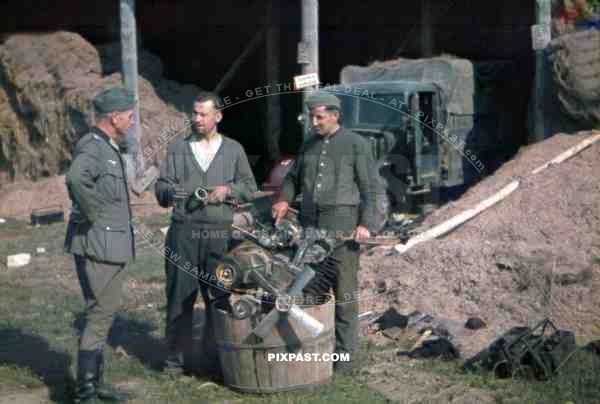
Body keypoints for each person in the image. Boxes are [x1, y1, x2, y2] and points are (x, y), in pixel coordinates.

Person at [271, 92, 379, 373]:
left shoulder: (356, 144)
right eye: (311, 117)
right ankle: (310, 351)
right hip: (310, 230)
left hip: (342, 230)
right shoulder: (308, 144)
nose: (314, 122)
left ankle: (344, 361)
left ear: (335, 115)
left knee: (344, 295)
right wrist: (283, 198)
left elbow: (371, 188)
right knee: (309, 290)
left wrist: (366, 223)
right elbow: (293, 178)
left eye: (319, 117)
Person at [155, 91, 257, 376]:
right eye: (194, 113)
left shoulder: (234, 149)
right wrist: (173, 191)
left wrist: (228, 191)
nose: (196, 119)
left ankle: (214, 361)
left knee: (219, 298)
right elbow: (160, 190)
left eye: (203, 114)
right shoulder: (178, 149)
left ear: (218, 116)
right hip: (183, 233)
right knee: (180, 297)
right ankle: (176, 361)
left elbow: (250, 187)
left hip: (218, 235)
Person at [64, 87, 136, 403]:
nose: (132, 121)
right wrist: (94, 213)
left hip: (108, 244)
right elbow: (76, 179)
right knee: (101, 315)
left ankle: (95, 385)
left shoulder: (107, 146)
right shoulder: (92, 147)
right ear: (114, 117)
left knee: (101, 313)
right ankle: (85, 392)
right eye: (130, 116)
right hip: (100, 244)